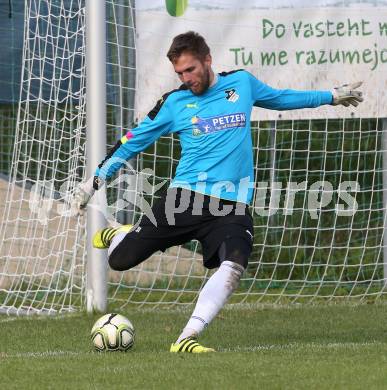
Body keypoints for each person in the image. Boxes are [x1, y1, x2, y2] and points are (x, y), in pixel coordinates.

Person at [73, 31, 363, 353]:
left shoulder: (241, 84)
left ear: (207, 60)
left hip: (232, 205)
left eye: (190, 70)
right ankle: (119, 235)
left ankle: (186, 338)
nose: (186, 79)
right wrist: (95, 181)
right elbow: (132, 142)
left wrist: (330, 96)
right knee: (120, 260)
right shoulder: (174, 103)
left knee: (235, 262)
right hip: (185, 200)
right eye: (180, 73)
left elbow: (281, 97)